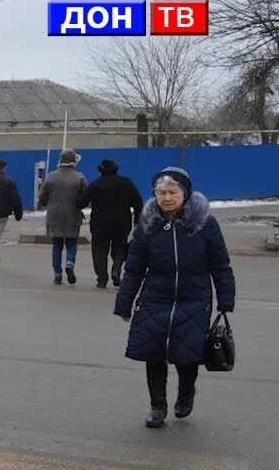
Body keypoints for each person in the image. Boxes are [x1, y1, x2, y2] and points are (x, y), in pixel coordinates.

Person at [114, 167, 234, 428]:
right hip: (155, 298)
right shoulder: (147, 225)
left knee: (187, 355)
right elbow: (134, 268)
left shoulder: (205, 224)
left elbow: (220, 264)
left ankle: (185, 395)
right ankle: (157, 407)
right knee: (153, 354)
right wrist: (124, 303)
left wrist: (226, 299)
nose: (166, 198)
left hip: (194, 299)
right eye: (161, 192)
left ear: (185, 193)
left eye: (172, 192)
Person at [83, 159, 144, 289]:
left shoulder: (95, 184)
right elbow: (138, 202)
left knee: (99, 249)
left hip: (99, 222)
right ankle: (116, 269)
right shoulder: (126, 183)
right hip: (121, 221)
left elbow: (82, 201)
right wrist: (137, 219)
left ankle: (101, 278)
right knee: (120, 246)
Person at [37, 149, 87, 285]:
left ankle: (57, 274)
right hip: (73, 214)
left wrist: (48, 204)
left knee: (57, 245)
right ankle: (70, 263)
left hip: (54, 214)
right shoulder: (80, 177)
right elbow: (85, 197)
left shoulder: (51, 177)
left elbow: (42, 196)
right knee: (72, 243)